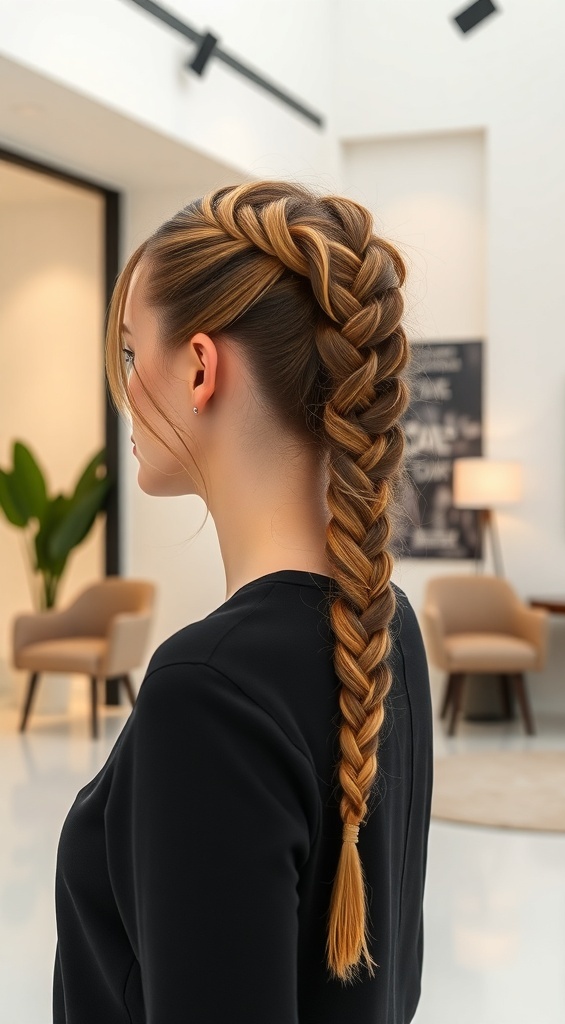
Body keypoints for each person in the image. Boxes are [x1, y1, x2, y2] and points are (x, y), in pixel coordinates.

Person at [52, 180, 434, 1023]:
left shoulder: (207, 690)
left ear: (198, 367)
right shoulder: (387, 627)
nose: (125, 387)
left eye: (129, 352)